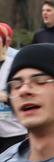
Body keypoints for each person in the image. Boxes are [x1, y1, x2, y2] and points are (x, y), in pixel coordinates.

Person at [0, 25, 27, 153]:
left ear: (4, 43)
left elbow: (25, 97)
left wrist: (5, 97)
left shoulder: (14, 66)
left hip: (14, 131)